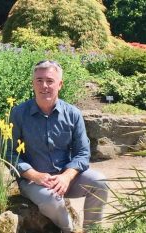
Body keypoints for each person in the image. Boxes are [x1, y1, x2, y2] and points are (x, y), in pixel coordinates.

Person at [6, 60, 108, 233]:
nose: (44, 85)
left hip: (66, 178)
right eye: (39, 80)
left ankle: (93, 230)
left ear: (60, 84)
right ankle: (69, 230)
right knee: (52, 200)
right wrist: (35, 175)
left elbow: (83, 153)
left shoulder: (73, 114)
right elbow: (9, 153)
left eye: (50, 81)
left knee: (100, 182)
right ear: (33, 83)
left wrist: (66, 177)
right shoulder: (18, 113)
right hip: (34, 181)